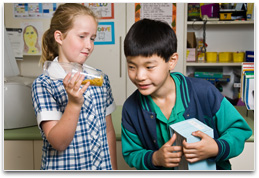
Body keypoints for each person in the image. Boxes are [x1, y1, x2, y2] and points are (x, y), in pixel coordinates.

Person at [121, 18, 252, 170]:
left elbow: (239, 130)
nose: (139, 76)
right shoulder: (131, 108)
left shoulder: (204, 92)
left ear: (172, 61)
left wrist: (216, 147)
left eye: (149, 67)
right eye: (132, 66)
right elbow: (131, 153)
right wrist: (155, 158)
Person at [31, 3, 117, 170]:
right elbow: (58, 142)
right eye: (82, 36)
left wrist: (113, 170)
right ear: (59, 37)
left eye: (92, 38)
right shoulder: (44, 83)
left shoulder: (100, 79)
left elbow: (108, 132)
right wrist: (74, 103)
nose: (89, 45)